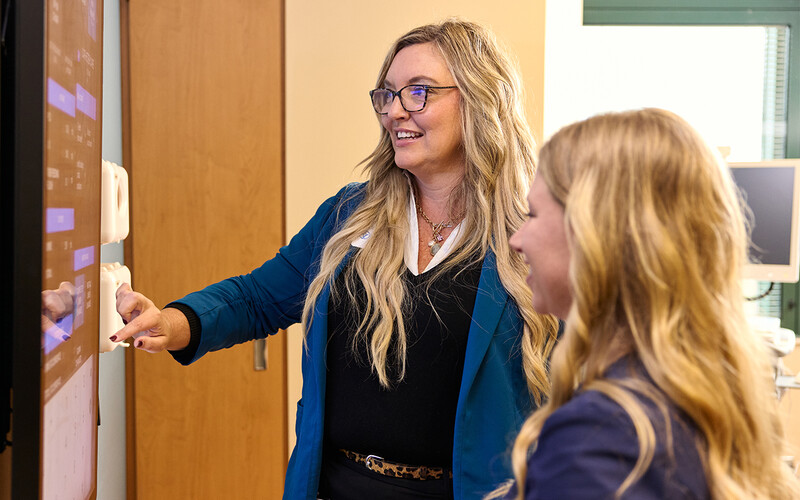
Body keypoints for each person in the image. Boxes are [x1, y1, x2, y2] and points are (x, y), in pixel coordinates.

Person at [111, 18, 560, 500]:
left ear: (478, 97)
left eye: (419, 92)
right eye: (387, 95)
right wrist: (172, 322)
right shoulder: (350, 214)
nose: (395, 112)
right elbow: (258, 297)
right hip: (336, 486)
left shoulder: (533, 235)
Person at [501, 108, 800, 499]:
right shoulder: (704, 400)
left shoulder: (599, 439)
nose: (516, 240)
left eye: (533, 214)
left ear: (597, 234)